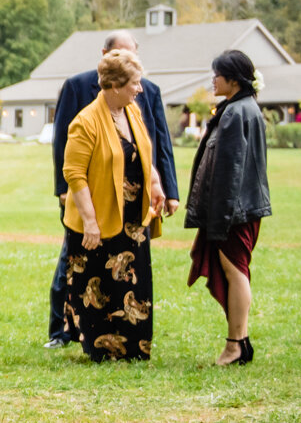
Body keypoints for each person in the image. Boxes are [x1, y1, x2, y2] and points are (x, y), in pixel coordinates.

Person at [47, 33, 178, 346]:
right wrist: (83, 213)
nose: (140, 89)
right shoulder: (86, 113)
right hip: (99, 204)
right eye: (134, 83)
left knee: (132, 278)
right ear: (117, 84)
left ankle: (133, 342)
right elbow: (71, 165)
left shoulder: (132, 111)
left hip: (133, 213)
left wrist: (159, 183)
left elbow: (151, 147)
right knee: (92, 275)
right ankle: (86, 339)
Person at [183, 49, 271, 366]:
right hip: (242, 208)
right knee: (238, 272)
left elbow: (230, 169)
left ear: (233, 80)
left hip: (234, 212)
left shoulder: (236, 113)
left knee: (236, 273)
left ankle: (235, 345)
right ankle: (240, 343)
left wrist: (220, 218)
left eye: (217, 74)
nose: (213, 79)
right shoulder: (243, 108)